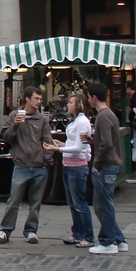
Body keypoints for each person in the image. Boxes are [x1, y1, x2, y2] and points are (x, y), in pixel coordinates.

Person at [0, 86, 49, 245]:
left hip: (39, 166)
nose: (39, 102)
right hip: (21, 166)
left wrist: (46, 162)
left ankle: (31, 231)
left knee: (35, 203)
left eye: (40, 99)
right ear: (27, 99)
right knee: (14, 200)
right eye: (36, 98)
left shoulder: (42, 119)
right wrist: (15, 125)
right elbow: (5, 138)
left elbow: (47, 141)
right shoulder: (14, 115)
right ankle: (5, 230)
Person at [44, 93, 93, 248]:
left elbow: (80, 147)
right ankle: (77, 233)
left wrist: (58, 149)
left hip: (77, 167)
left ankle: (88, 236)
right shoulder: (75, 122)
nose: (68, 105)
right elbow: (74, 143)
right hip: (68, 165)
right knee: (72, 203)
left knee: (80, 203)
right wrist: (62, 144)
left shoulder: (83, 123)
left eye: (71, 102)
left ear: (79, 104)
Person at [86, 83, 127, 254]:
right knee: (105, 204)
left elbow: (106, 143)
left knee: (102, 205)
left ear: (94, 98)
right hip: (112, 163)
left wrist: (96, 164)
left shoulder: (102, 116)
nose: (88, 100)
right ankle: (118, 239)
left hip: (105, 165)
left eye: (88, 97)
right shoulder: (111, 114)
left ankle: (107, 242)